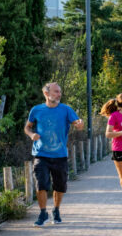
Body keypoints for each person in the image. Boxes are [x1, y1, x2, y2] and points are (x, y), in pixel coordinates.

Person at [24, 82, 85, 226]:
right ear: (46, 93)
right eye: (56, 91)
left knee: (59, 186)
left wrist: (80, 124)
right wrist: (31, 134)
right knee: (41, 184)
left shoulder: (66, 110)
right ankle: (43, 213)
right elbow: (27, 127)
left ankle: (56, 210)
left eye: (60, 91)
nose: (59, 94)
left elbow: (78, 124)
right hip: (41, 154)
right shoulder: (36, 110)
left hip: (60, 154)